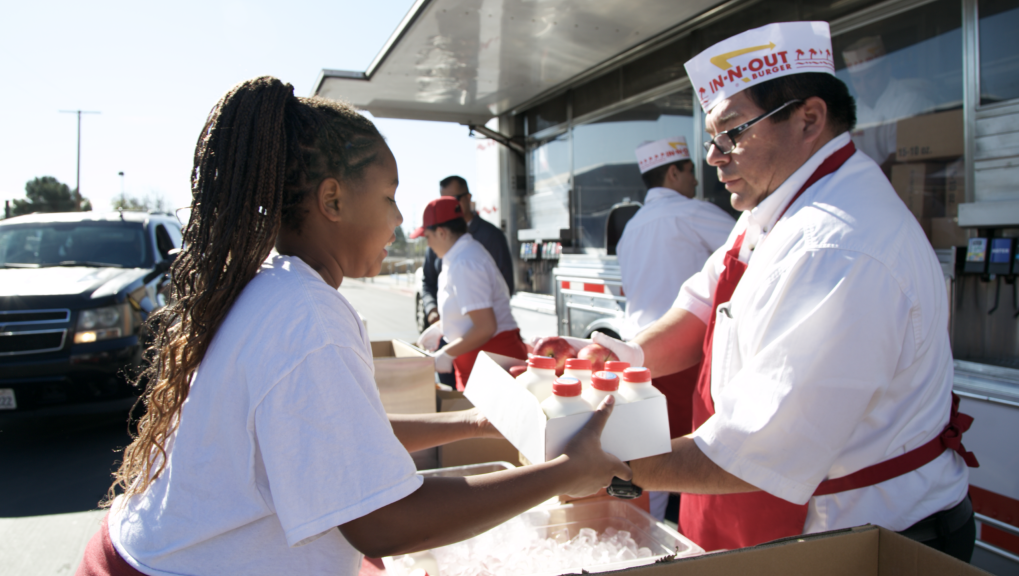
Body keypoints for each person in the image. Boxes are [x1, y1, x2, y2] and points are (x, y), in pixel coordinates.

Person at [76, 77, 630, 576]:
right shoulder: (305, 313)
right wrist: (563, 473)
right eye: (388, 196)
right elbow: (381, 523)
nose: (397, 219)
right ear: (333, 200)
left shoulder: (273, 285)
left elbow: (341, 435)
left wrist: (478, 422)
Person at [582, 22, 978, 560]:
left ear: (809, 119)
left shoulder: (837, 246)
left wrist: (599, 463)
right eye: (712, 140)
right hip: (789, 505)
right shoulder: (773, 209)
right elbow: (701, 306)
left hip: (868, 537)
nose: (715, 158)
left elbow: (755, 450)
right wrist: (623, 356)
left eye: (733, 133)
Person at [616, 136, 734, 520]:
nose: (697, 182)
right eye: (691, 172)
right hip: (680, 358)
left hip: (639, 354)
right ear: (673, 172)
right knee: (686, 458)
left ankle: (646, 542)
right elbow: (751, 250)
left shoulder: (632, 226)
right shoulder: (692, 212)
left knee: (646, 459)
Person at [413, 197, 528, 390]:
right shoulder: (460, 256)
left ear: (441, 233)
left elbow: (485, 326)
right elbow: (469, 310)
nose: (428, 244)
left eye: (428, 237)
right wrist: (443, 327)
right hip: (480, 363)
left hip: (493, 364)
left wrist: (447, 353)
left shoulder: (465, 262)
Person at [421, 176, 514, 328]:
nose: (448, 204)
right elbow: (428, 280)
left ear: (468, 198)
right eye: (443, 199)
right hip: (454, 333)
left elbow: (504, 285)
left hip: (480, 336)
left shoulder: (490, 237)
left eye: (453, 199)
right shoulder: (436, 238)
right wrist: (433, 310)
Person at [842, 36, 934, 169]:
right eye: (857, 81)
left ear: (887, 69)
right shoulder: (853, 110)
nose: (864, 87)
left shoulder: (909, 100)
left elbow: (899, 158)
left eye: (870, 77)